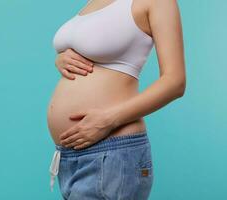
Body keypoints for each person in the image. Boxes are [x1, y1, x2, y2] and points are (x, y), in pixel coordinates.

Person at [48, 0, 186, 199]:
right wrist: (61, 58)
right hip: (70, 157)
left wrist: (108, 120)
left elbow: (175, 82)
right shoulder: (92, 3)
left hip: (112, 152)